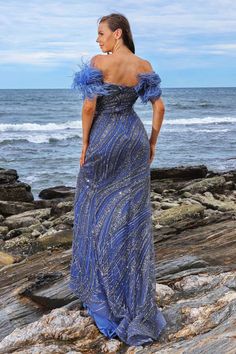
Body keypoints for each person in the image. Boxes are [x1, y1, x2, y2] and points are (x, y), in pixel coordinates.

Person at [69, 12, 167, 347]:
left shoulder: (99, 62)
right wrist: (152, 143)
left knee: (94, 214)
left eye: (100, 33)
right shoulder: (143, 64)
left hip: (105, 140)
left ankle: (104, 297)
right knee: (132, 221)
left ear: (117, 34)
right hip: (134, 138)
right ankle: (133, 300)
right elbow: (159, 108)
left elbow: (87, 109)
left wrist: (84, 144)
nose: (97, 40)